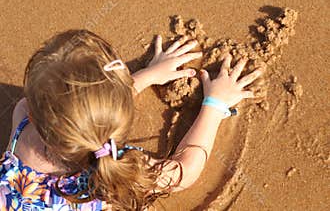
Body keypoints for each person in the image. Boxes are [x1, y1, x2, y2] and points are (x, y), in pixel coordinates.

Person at [0, 29, 263, 210]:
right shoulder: (118, 175)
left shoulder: (22, 116)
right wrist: (214, 105)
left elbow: (81, 115)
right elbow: (186, 170)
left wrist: (148, 75)